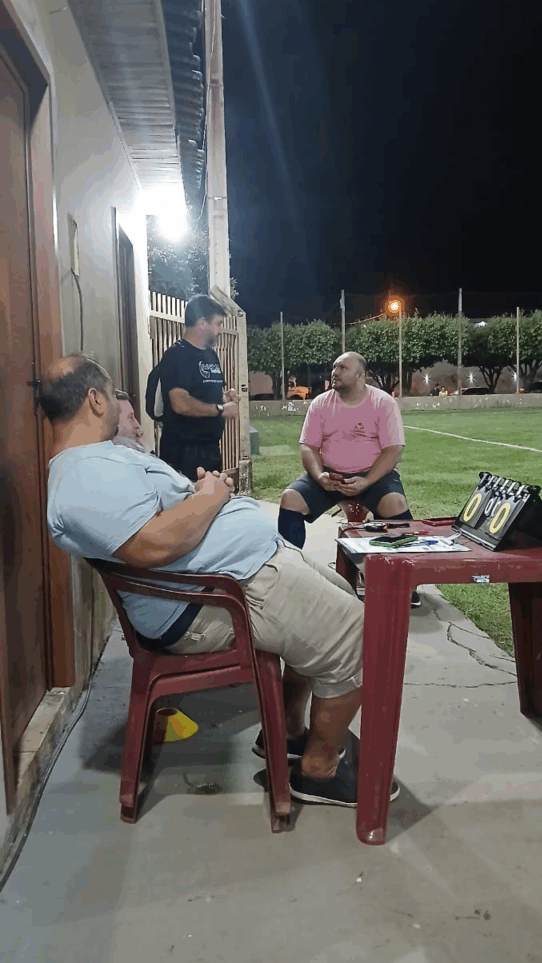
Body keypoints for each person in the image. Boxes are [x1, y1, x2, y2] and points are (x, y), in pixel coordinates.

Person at [39, 354, 400, 808]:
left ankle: (288, 731)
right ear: (94, 400)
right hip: (214, 596)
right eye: (112, 396)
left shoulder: (98, 460)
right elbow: (152, 546)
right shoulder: (81, 477)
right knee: (363, 635)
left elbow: (153, 523)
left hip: (236, 572)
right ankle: (318, 769)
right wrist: (210, 497)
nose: (116, 406)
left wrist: (198, 495)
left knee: (345, 597)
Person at [277, 351, 421, 608]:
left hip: (373, 475)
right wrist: (320, 476)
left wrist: (367, 481)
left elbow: (393, 450)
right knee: (291, 499)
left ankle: (405, 581)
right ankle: (290, 574)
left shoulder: (383, 402)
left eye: (342, 368)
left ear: (360, 375)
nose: (335, 372)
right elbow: (308, 446)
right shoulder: (321, 403)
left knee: (395, 504)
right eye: (334, 367)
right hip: (330, 474)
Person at [158, 294, 239, 481]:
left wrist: (225, 397)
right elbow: (180, 403)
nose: (220, 330)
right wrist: (220, 409)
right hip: (182, 454)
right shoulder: (176, 355)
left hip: (210, 450)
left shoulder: (211, 355)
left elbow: (208, 394)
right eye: (218, 324)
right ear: (202, 323)